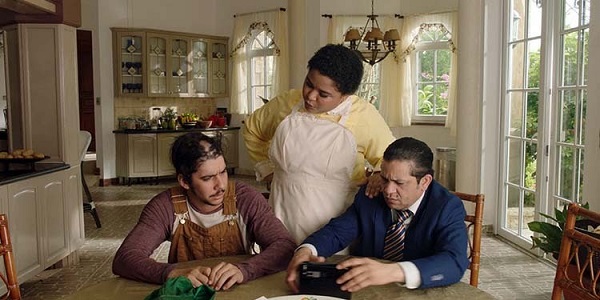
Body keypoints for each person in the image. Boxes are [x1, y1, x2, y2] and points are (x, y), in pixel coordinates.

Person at [243, 44, 395, 243]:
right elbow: (252, 130)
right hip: (281, 212)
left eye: (323, 94)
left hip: (334, 224)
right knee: (278, 266)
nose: (310, 96)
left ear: (345, 96)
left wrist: (378, 175)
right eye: (308, 84)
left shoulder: (364, 114)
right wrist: (268, 169)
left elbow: (390, 155)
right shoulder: (287, 103)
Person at [112, 132, 296, 291]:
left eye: (223, 172)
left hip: (240, 290)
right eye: (207, 178)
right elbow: (125, 258)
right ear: (184, 181)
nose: (221, 185)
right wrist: (170, 272)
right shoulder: (165, 206)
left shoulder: (246, 198)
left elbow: (285, 246)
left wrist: (245, 270)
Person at [286, 137, 469, 292]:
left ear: (425, 182)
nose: (388, 190)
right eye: (384, 178)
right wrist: (306, 250)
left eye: (399, 182)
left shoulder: (447, 207)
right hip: (367, 292)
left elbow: (454, 261)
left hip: (420, 291)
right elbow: (337, 231)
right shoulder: (371, 195)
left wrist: (393, 271)